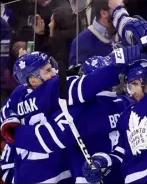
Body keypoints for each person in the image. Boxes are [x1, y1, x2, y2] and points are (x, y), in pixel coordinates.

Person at [81, 19, 147, 184]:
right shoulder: (126, 114)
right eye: (129, 86)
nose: (130, 91)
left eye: (134, 84)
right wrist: (102, 162)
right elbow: (121, 152)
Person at [2, 55, 131, 183]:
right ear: (33, 80)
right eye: (48, 70)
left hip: (28, 173)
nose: (54, 73)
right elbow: (85, 85)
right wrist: (119, 62)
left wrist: (12, 131)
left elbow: (6, 111)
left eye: (52, 68)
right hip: (54, 174)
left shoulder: (18, 96)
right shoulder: (52, 91)